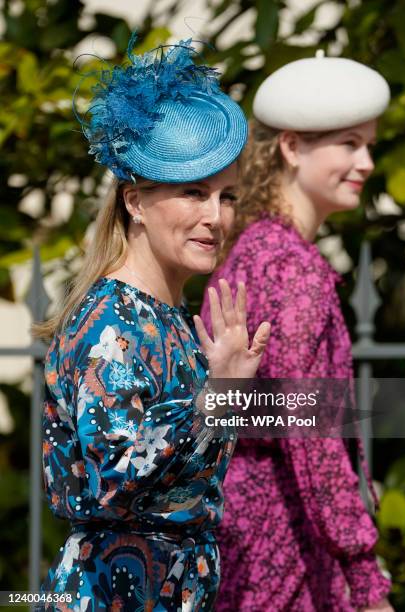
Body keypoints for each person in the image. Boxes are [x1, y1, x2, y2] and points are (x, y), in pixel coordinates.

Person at [34, 38, 270, 611]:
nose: (216, 217)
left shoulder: (171, 318)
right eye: (194, 192)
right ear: (136, 202)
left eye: (227, 196)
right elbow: (118, 477)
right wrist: (223, 394)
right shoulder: (109, 322)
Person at [201, 53, 394, 611]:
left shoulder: (258, 246)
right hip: (278, 542)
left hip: (248, 527)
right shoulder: (291, 267)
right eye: (349, 144)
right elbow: (310, 433)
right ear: (291, 147)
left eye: (370, 145)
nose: (366, 162)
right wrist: (365, 576)